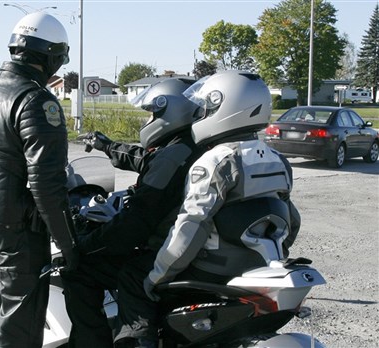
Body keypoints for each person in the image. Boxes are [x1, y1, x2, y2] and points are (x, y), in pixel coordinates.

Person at [113, 70, 301, 348]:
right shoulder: (276, 159)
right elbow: (291, 221)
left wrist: (157, 275)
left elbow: (190, 229)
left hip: (211, 269)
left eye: (204, 108)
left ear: (224, 107)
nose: (199, 114)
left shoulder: (215, 162)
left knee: (130, 276)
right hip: (257, 267)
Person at [61, 78, 206, 348]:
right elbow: (145, 159)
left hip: (166, 251)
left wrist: (85, 245)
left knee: (81, 271)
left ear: (169, 111)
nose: (149, 119)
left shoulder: (173, 155)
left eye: (152, 112)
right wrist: (107, 146)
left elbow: (134, 225)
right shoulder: (193, 146)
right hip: (198, 249)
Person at [0, 12, 77, 348]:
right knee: (20, 328)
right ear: (51, 56)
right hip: (18, 233)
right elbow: (47, 184)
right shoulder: (35, 100)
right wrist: (68, 245)